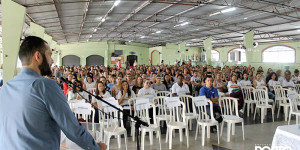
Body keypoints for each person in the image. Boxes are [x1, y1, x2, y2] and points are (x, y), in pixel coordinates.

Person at [0, 36, 106, 149]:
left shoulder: (5, 88)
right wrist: (95, 147)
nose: (52, 60)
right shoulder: (44, 85)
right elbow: (71, 128)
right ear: (38, 56)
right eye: (49, 54)